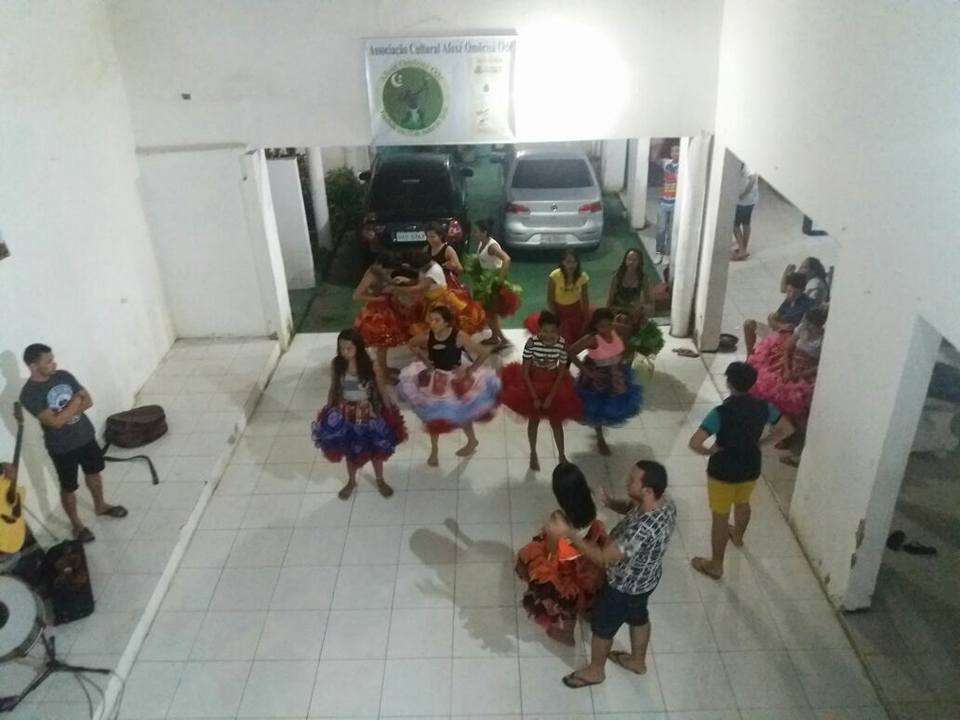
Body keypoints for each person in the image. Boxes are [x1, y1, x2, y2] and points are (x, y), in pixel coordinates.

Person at [549, 460, 677, 689]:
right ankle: (637, 661)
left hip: (624, 586)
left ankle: (595, 671)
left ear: (647, 490)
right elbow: (632, 507)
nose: (626, 482)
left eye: (632, 481)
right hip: (647, 579)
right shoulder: (664, 503)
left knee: (602, 627)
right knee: (639, 617)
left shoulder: (641, 531)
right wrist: (611, 503)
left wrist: (569, 533)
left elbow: (602, 557)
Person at [688, 362, 795, 580]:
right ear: (751, 383)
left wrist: (711, 451)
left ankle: (715, 565)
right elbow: (787, 428)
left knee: (720, 517)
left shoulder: (720, 413)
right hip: (750, 466)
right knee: (743, 502)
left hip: (723, 471)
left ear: (729, 382)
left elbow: (695, 443)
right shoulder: (764, 407)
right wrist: (762, 443)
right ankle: (737, 537)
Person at [19, 344, 127, 543]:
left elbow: (89, 401)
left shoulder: (63, 376)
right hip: (62, 447)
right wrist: (76, 402)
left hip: (85, 436)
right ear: (34, 366)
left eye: (53, 359)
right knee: (68, 486)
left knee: (93, 473)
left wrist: (67, 410)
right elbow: (55, 422)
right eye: (48, 361)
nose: (54, 364)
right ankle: (77, 525)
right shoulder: (29, 393)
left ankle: (101, 506)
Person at [515, 462, 607, 645]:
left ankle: (567, 634)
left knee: (566, 597)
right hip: (588, 561)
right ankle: (587, 613)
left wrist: (549, 528)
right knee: (585, 593)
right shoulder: (592, 502)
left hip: (568, 565)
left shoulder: (560, 518)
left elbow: (551, 550)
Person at [312, 329, 407, 500]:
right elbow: (334, 387)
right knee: (350, 450)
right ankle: (351, 481)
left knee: (376, 449)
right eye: (341, 348)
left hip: (368, 413)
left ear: (358, 347)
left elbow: (382, 389)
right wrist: (328, 409)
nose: (345, 352)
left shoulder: (371, 365)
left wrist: (389, 411)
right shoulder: (337, 364)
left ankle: (380, 479)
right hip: (345, 414)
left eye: (349, 348)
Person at [399, 306, 500, 465]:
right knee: (433, 417)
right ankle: (434, 450)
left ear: (447, 323)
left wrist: (470, 371)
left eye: (437, 320)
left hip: (454, 379)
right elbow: (411, 344)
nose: (432, 323)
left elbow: (484, 353)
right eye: (431, 320)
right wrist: (424, 360)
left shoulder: (459, 336)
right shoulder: (427, 335)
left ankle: (472, 440)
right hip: (435, 378)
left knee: (463, 412)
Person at [499, 311, 581, 470]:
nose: (549, 335)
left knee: (556, 423)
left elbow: (561, 371)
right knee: (533, 421)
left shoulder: (561, 343)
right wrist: (534, 396)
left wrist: (551, 396)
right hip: (532, 382)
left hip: (553, 382)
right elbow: (525, 371)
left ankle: (562, 455)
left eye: (552, 331)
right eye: (545, 330)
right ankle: (533, 452)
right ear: (539, 329)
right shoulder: (532, 343)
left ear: (558, 330)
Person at [568, 308, 643, 456]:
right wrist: (587, 371)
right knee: (597, 407)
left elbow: (631, 331)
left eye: (609, 324)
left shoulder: (616, 330)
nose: (607, 329)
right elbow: (570, 352)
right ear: (595, 326)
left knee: (615, 402)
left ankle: (603, 429)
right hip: (599, 378)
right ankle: (600, 437)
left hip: (617, 374)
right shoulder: (592, 339)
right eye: (602, 326)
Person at [750, 306, 828, 420]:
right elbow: (788, 349)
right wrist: (787, 369)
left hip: (807, 370)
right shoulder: (802, 328)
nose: (806, 325)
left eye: (809, 324)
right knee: (771, 381)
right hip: (791, 362)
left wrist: (799, 375)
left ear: (817, 325)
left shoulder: (823, 339)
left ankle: (783, 419)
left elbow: (820, 366)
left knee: (795, 394)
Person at [353, 252, 418, 380]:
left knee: (386, 344)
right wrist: (377, 298)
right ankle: (383, 374)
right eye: (387, 270)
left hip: (389, 308)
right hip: (377, 312)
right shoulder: (371, 275)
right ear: (380, 266)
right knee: (382, 344)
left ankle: (384, 369)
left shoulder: (383, 270)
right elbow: (357, 295)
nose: (389, 272)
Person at [394, 249, 486, 338]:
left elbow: (419, 288)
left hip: (442, 301)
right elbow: (420, 280)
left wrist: (395, 289)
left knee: (439, 325)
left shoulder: (433, 271)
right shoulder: (426, 266)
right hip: (430, 299)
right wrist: (406, 280)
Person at [465, 219, 522, 348]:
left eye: (476, 231)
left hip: (491, 283)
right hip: (484, 281)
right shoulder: (482, 243)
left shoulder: (492, 246)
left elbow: (507, 259)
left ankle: (503, 339)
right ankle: (495, 337)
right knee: (489, 312)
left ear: (484, 232)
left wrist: (499, 281)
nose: (474, 233)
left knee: (489, 313)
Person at [606, 248, 664, 362]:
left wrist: (641, 308)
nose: (631, 262)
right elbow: (610, 299)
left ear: (639, 262)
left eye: (634, 260)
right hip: (617, 310)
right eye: (629, 259)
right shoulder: (618, 276)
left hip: (633, 312)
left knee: (639, 333)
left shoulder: (643, 278)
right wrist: (607, 315)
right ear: (625, 260)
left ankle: (629, 358)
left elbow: (649, 301)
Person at [524, 250, 590, 346]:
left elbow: (585, 299)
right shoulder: (555, 275)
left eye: (574, 262)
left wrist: (585, 317)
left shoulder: (582, 277)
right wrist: (556, 316)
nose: (571, 265)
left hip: (575, 311)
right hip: (559, 311)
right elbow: (550, 298)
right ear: (563, 262)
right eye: (568, 262)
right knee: (558, 337)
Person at [742, 271, 816, 355]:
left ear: (802, 290)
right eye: (789, 291)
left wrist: (779, 324)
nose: (791, 295)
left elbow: (805, 330)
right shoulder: (788, 300)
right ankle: (749, 356)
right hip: (778, 332)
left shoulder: (809, 305)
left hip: (789, 339)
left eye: (795, 292)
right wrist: (781, 325)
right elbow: (772, 319)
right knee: (748, 324)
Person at [653, 143, 680, 265]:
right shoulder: (666, 163)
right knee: (661, 230)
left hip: (675, 204)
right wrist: (659, 144)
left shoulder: (684, 167)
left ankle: (668, 254)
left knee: (670, 231)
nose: (675, 153)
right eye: (673, 151)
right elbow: (654, 158)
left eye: (678, 151)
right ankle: (659, 253)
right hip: (663, 202)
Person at [425, 221, 466, 292]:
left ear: (440, 236)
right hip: (431, 285)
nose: (430, 240)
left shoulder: (448, 250)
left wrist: (452, 266)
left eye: (433, 237)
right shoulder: (426, 249)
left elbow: (460, 269)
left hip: (447, 287)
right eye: (428, 237)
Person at [732, 163, 759, 261]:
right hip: (750, 199)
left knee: (734, 225)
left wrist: (743, 194)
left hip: (744, 200)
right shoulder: (749, 162)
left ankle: (742, 251)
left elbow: (753, 179)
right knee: (746, 223)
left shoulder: (748, 164)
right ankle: (743, 248)